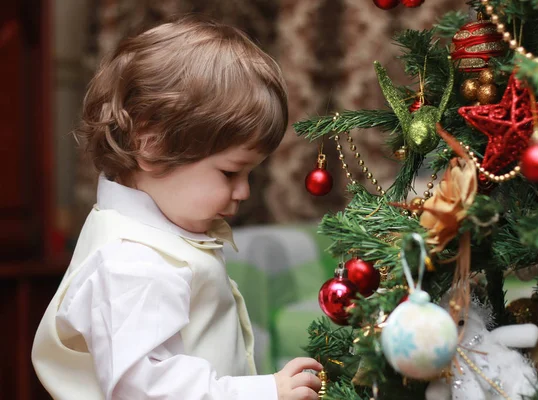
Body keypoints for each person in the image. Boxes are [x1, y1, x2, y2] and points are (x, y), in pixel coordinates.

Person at [32, 16, 322, 400]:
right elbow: (147, 391)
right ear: (152, 146)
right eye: (230, 172)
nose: (243, 192)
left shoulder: (154, 237)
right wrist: (266, 392)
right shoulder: (133, 264)